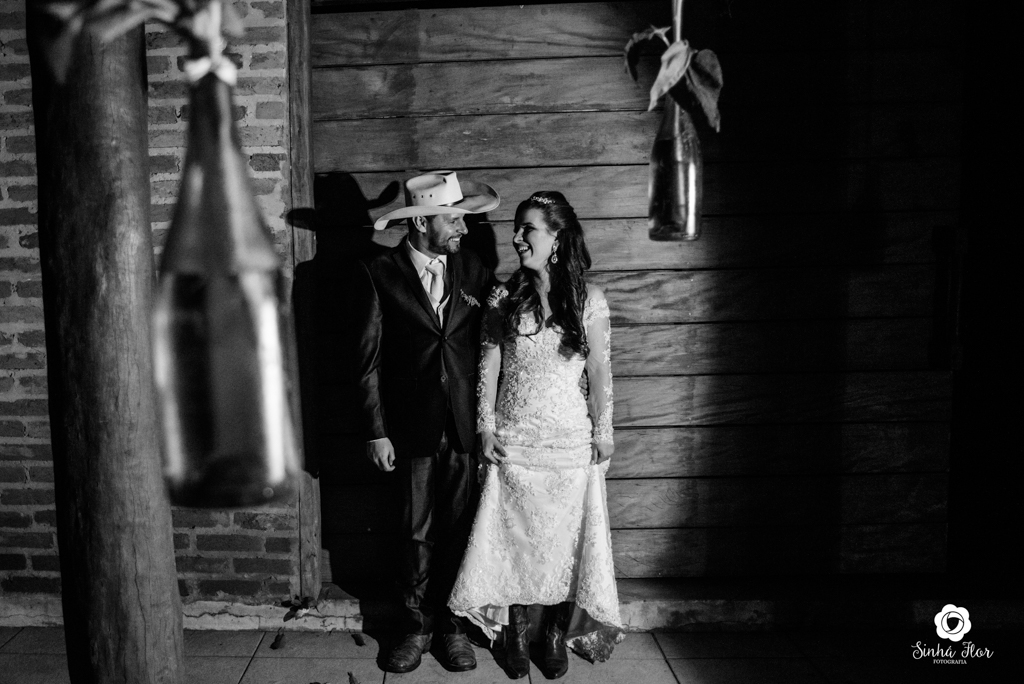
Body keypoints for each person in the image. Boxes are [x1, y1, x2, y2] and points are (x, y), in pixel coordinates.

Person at [448, 191, 623, 679]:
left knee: (567, 540)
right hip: (514, 437)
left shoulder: (591, 299)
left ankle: (554, 634)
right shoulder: (504, 297)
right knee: (513, 539)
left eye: (529, 228)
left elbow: (601, 375)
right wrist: (484, 426)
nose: (518, 236)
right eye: (517, 227)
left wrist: (604, 432)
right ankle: (517, 632)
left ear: (558, 238)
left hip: (569, 439)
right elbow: (489, 367)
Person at [353, 170, 499, 673]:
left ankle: (453, 629)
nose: (462, 227)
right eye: (452, 218)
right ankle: (412, 629)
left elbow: (491, 344)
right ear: (419, 223)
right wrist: (376, 430)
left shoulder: (475, 268)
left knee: (461, 528)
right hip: (408, 429)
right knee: (414, 533)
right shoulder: (380, 272)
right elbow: (366, 361)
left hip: (463, 425)